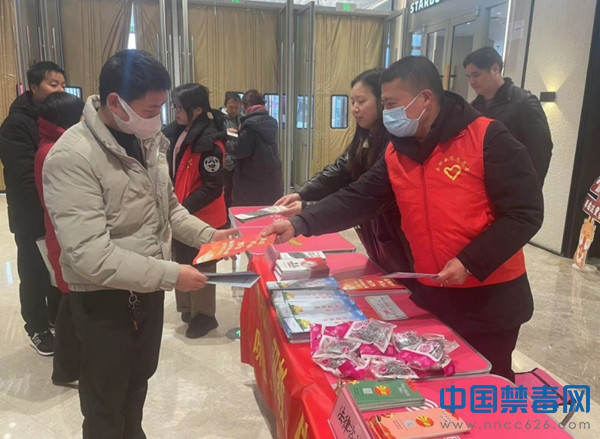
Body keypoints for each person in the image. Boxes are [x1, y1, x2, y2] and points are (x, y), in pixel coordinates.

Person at [263, 56, 544, 382]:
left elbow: (524, 213)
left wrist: (470, 261)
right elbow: (359, 197)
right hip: (432, 290)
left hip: (489, 298)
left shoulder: (487, 137)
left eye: (391, 104)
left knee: (486, 386)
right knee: (437, 385)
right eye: (383, 104)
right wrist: (301, 223)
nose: (386, 113)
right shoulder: (399, 151)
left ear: (424, 98)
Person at [42, 49, 236, 439]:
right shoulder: (72, 157)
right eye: (151, 110)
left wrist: (209, 236)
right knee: (105, 400)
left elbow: (169, 208)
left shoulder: (146, 142)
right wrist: (172, 274)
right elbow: (90, 256)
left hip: (145, 289)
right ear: (116, 102)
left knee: (137, 384)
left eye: (163, 108)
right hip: (103, 299)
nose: (159, 119)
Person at [275, 68, 412, 275]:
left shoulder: (396, 143)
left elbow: (363, 196)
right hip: (376, 235)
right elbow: (340, 170)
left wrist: (306, 211)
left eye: (361, 101)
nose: (355, 109)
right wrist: (303, 193)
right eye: (352, 102)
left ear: (382, 101)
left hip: (397, 236)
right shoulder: (366, 136)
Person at [0, 61, 66, 355]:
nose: (59, 89)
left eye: (62, 84)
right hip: (31, 215)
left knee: (55, 268)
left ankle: (54, 317)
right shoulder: (16, 124)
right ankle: (36, 327)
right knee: (33, 272)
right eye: (53, 84)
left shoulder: (55, 119)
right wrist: (47, 210)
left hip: (55, 212)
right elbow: (23, 177)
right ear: (34, 86)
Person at [163, 83, 227, 338]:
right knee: (182, 260)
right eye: (174, 106)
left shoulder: (211, 142)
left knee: (202, 267)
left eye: (181, 107)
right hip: (181, 211)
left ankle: (205, 316)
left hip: (204, 216)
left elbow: (213, 187)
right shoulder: (178, 133)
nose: (176, 111)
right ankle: (188, 309)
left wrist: (182, 208)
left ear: (198, 110)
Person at [34, 92, 85, 385]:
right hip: (65, 235)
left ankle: (68, 368)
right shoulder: (54, 151)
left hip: (64, 232)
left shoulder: (53, 145)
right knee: (71, 302)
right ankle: (66, 370)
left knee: (71, 301)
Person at [464, 46, 553, 185]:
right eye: (469, 77)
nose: (471, 82)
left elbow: (541, 152)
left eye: (476, 75)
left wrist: (529, 190)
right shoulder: (474, 107)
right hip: (481, 185)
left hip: (513, 187)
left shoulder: (524, 103)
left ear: (495, 69)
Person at [228, 89, 283, 206]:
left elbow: (239, 151)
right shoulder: (271, 121)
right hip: (271, 176)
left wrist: (226, 142)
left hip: (252, 179)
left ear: (245, 106)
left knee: (247, 212)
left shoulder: (250, 125)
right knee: (267, 210)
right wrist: (240, 133)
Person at [220, 92, 242, 208]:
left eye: (236, 108)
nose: (233, 110)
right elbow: (220, 138)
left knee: (238, 191)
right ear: (225, 105)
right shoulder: (219, 119)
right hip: (225, 162)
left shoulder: (242, 118)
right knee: (226, 191)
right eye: (231, 107)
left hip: (239, 161)